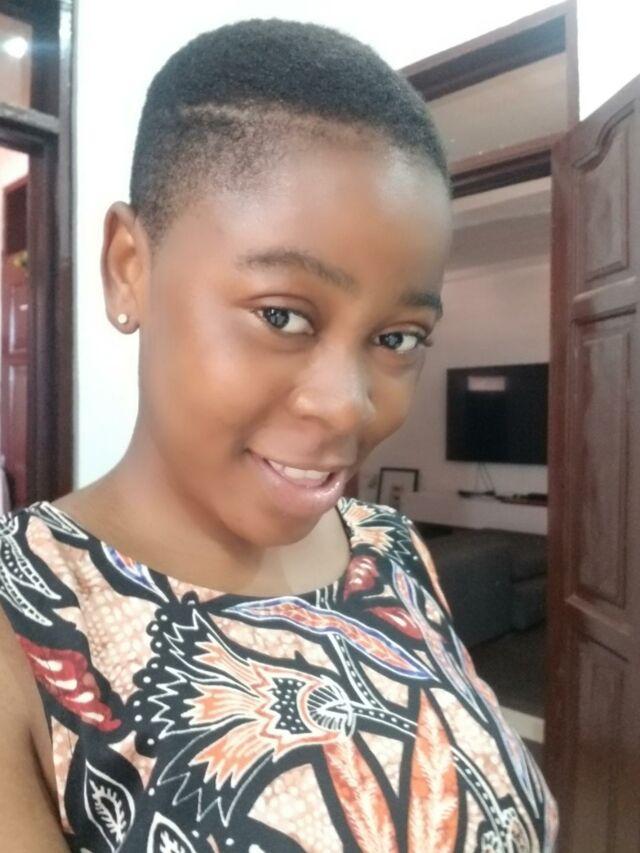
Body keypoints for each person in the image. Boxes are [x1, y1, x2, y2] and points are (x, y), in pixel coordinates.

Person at [0, 18, 557, 852]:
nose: (347, 406)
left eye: (397, 337)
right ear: (129, 267)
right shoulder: (27, 622)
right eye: (282, 316)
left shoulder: (392, 550)